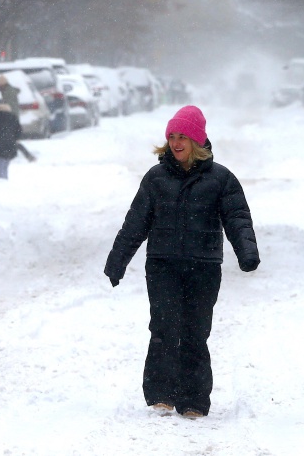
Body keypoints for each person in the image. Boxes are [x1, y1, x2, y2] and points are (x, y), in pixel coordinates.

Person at [104, 105, 260, 419]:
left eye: (183, 137)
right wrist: (117, 260)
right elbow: (135, 223)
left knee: (195, 331)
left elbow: (238, 218)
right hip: (162, 265)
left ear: (197, 140)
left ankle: (194, 400)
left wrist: (247, 253)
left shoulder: (221, 179)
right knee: (163, 327)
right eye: (172, 136)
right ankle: (161, 394)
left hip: (204, 267)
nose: (176, 142)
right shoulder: (156, 178)